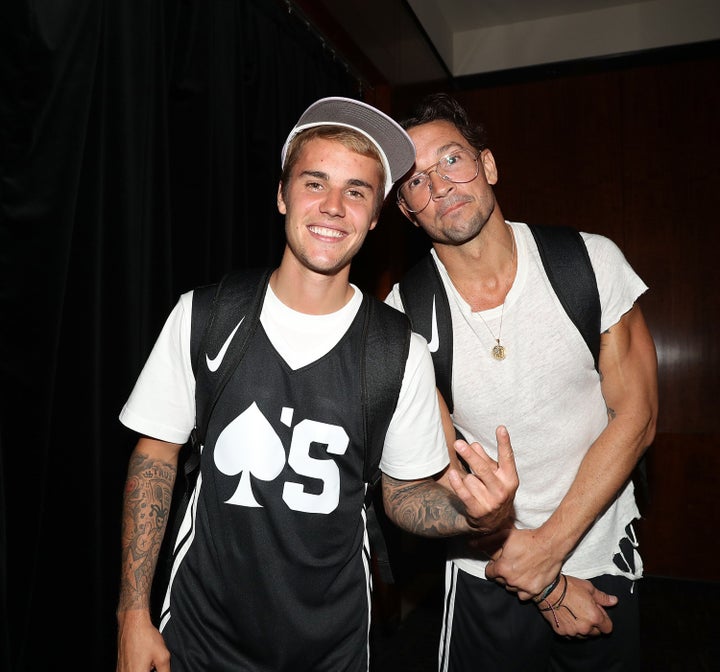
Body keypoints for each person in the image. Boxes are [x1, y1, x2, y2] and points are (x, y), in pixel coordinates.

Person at [115, 96, 519, 672]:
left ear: (376, 216)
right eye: (315, 183)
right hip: (200, 641)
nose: (334, 207)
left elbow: (404, 496)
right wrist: (132, 616)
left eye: (357, 191)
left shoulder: (397, 350)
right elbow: (154, 458)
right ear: (282, 195)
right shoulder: (205, 317)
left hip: (334, 649)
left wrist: (476, 516)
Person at [385, 93, 658, 671]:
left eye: (451, 160)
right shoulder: (401, 315)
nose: (439, 185)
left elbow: (637, 418)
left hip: (601, 555)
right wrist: (547, 586)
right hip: (486, 570)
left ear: (488, 165)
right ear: (407, 211)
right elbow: (437, 477)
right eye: (415, 180)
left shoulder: (590, 261)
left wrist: (549, 555)